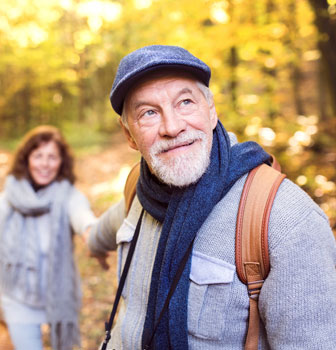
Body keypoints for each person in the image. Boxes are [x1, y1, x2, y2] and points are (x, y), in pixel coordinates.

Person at [88, 45, 336, 349]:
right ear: (129, 135)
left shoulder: (284, 219)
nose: (172, 126)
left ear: (211, 110)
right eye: (149, 113)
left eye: (185, 102)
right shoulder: (140, 192)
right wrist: (92, 242)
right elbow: (106, 227)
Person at [0, 125, 96, 350]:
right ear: (26, 158)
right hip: (18, 299)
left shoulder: (68, 196)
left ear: (62, 163)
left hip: (59, 297)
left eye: (52, 157)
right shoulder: (6, 203)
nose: (45, 163)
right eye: (38, 155)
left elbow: (82, 215)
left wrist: (92, 232)